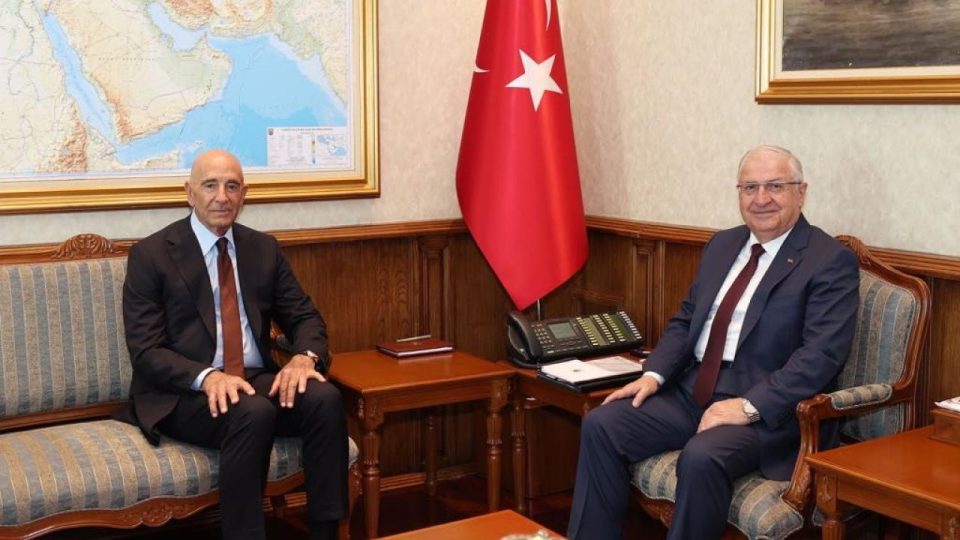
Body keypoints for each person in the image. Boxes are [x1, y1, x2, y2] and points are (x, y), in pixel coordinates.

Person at [567, 145, 860, 539]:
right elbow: (687, 318)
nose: (761, 199)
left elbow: (821, 356)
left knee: (702, 456)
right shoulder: (723, 244)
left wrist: (747, 406)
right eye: (749, 187)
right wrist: (653, 375)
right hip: (693, 390)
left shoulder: (828, 260)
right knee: (602, 424)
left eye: (775, 186)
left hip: (766, 410)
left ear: (801, 192)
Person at [119, 149, 347, 540]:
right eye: (210, 185)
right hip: (184, 393)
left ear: (244, 194)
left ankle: (327, 533)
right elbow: (145, 350)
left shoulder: (263, 249)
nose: (222, 196)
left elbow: (305, 317)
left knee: (324, 398)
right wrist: (207, 377)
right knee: (252, 411)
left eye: (232, 186)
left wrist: (303, 359)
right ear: (189, 193)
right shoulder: (151, 255)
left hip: (253, 380)